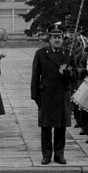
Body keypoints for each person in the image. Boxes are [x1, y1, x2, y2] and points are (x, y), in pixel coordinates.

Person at [30, 26, 75, 164]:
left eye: (59, 37)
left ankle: (59, 155)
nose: (57, 40)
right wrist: (36, 96)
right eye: (54, 37)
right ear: (50, 39)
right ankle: (47, 155)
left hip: (62, 94)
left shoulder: (68, 54)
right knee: (46, 127)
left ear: (62, 39)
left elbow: (76, 75)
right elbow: (35, 76)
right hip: (46, 95)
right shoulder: (41, 53)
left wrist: (67, 73)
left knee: (61, 127)